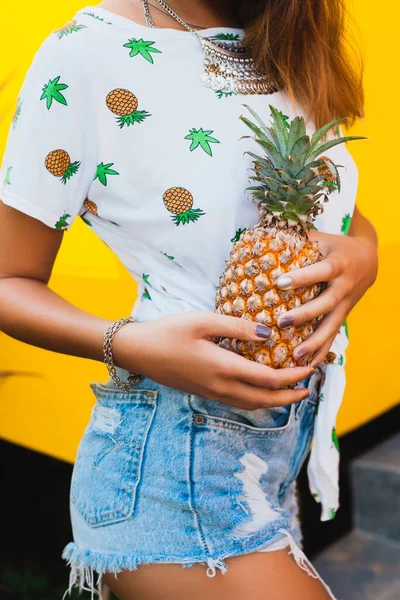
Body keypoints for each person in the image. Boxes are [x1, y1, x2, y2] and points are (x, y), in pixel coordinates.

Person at [0, 1, 378, 599]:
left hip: (279, 463)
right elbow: (7, 280)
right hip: (175, 468)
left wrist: (365, 253)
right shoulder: (85, 54)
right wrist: (129, 344)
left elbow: (339, 211)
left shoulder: (285, 34)